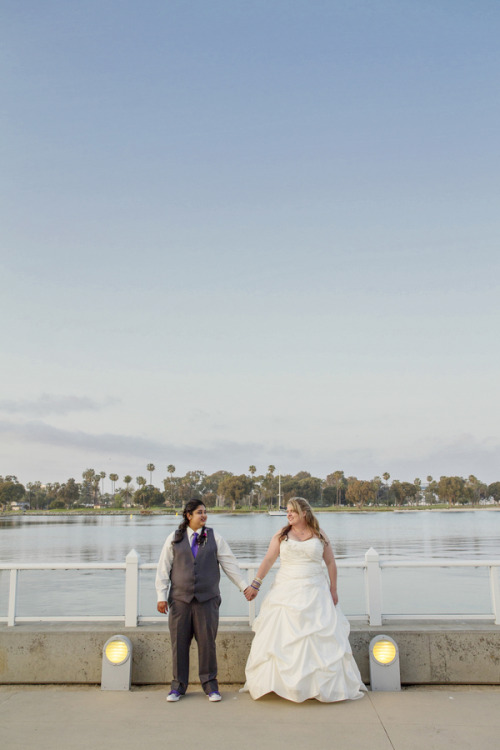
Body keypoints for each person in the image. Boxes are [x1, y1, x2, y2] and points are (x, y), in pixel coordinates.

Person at [242, 497, 366, 703]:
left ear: (304, 514)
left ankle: (318, 686)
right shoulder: (282, 536)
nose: (288, 514)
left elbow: (331, 562)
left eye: (293, 511)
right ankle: (281, 685)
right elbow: (268, 560)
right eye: (288, 511)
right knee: (283, 638)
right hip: (286, 591)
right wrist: (256, 584)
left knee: (317, 637)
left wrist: (333, 589)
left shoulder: (319, 535)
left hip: (316, 591)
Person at [156, 499, 250, 702]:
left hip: (207, 600)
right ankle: (177, 687)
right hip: (180, 600)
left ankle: (210, 686)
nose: (204, 515)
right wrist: (161, 596)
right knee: (179, 644)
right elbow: (163, 568)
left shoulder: (215, 538)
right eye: (200, 512)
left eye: (205, 512)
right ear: (189, 515)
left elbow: (229, 564)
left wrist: (244, 587)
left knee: (207, 644)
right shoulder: (174, 538)